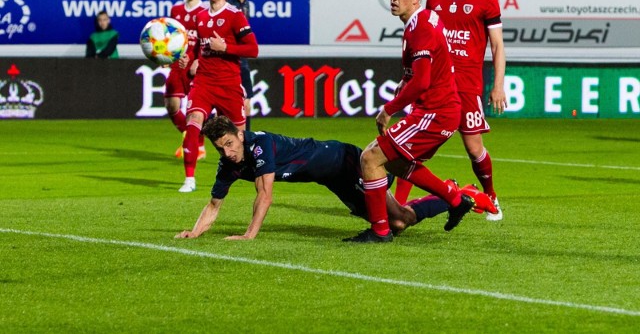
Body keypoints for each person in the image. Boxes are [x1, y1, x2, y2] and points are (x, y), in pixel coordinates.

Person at [174, 116, 498, 240]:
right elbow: (215, 202)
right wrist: (195, 231)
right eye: (220, 148)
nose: (228, 152)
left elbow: (265, 194)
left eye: (230, 144)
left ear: (239, 134)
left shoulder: (259, 145)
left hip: (344, 161)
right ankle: (454, 194)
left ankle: (456, 192)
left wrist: (249, 236)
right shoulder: (227, 163)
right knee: (399, 221)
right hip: (331, 179)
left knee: (397, 221)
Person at [344, 0, 476, 244]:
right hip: (437, 110)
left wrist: (388, 108)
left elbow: (422, 82)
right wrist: (403, 86)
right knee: (396, 163)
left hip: (436, 112)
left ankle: (381, 231)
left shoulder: (421, 29)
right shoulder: (422, 20)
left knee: (370, 158)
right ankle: (455, 199)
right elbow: (417, 73)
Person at [424, 0, 507, 221]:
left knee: (474, 149)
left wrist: (498, 85)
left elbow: (497, 46)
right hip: (436, 86)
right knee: (415, 149)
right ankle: (393, 207)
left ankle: (491, 194)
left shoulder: (486, 0)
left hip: (467, 87)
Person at [176, 0, 259, 193]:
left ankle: (249, 169)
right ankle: (189, 179)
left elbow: (253, 49)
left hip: (229, 85)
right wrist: (188, 58)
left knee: (239, 134)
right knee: (193, 123)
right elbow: (197, 48)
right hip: (203, 83)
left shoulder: (235, 16)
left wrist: (226, 48)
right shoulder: (201, 16)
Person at [167, 0, 209, 160]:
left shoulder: (205, 11)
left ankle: (196, 145)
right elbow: (169, 38)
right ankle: (190, 137)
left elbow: (205, 39)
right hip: (177, 65)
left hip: (196, 67)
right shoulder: (175, 11)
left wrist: (199, 60)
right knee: (172, 105)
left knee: (195, 111)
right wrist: (165, 57)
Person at [226, 0, 256, 131]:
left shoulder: (246, 4)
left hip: (241, 61)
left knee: (246, 103)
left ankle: (246, 144)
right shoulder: (226, 3)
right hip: (226, 59)